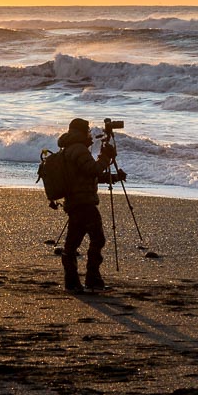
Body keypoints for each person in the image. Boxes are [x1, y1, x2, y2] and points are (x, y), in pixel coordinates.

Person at [56, 118, 118, 293]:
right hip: (83, 202)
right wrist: (106, 157)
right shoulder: (79, 149)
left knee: (72, 243)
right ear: (82, 131)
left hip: (76, 201)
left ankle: (72, 282)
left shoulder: (69, 148)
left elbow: (84, 176)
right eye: (88, 130)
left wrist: (110, 175)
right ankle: (92, 279)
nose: (89, 133)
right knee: (97, 239)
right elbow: (94, 170)